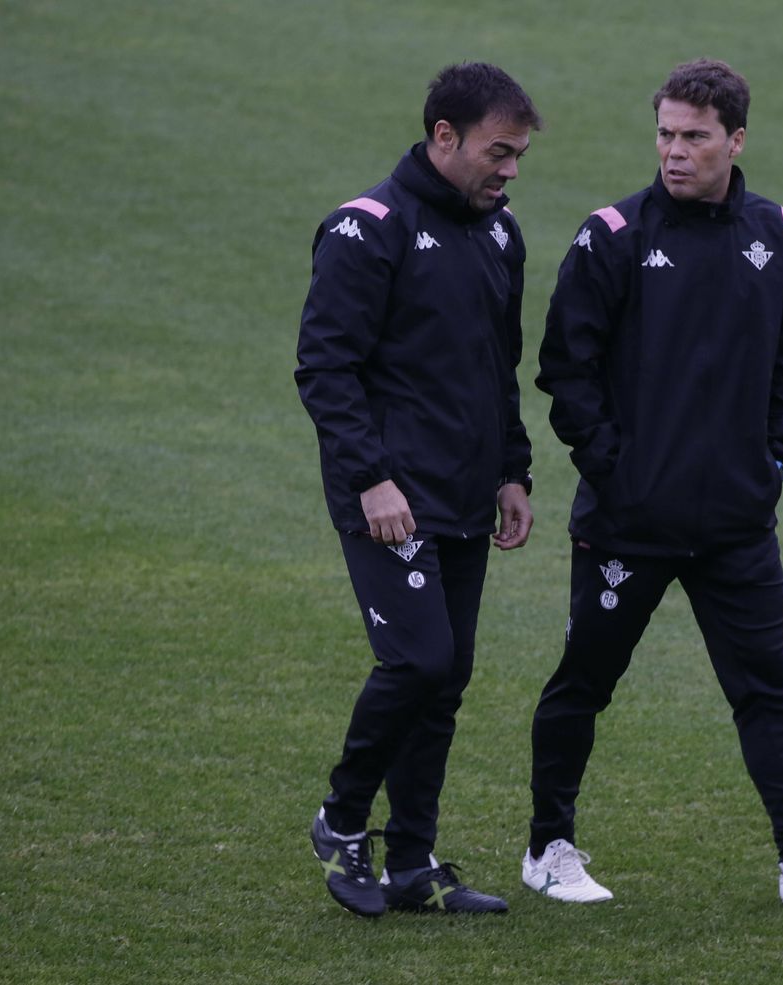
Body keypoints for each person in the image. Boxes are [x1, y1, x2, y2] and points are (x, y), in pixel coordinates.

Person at [523, 59, 783, 907]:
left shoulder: (779, 235)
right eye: (664, 134)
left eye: (695, 136)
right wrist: (618, 470)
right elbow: (564, 369)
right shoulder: (612, 235)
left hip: (736, 521)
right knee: (584, 681)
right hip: (630, 522)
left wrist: (771, 461)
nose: (675, 151)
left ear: (736, 139)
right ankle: (548, 847)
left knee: (767, 686)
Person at [295, 62, 540, 917]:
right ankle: (339, 817)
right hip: (388, 496)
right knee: (419, 659)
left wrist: (514, 469)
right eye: (498, 152)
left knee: (448, 676)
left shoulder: (499, 235)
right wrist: (371, 479)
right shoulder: (366, 231)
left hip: (467, 491)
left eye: (517, 156)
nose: (510, 170)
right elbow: (325, 368)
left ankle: (413, 861)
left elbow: (497, 370)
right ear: (445, 138)